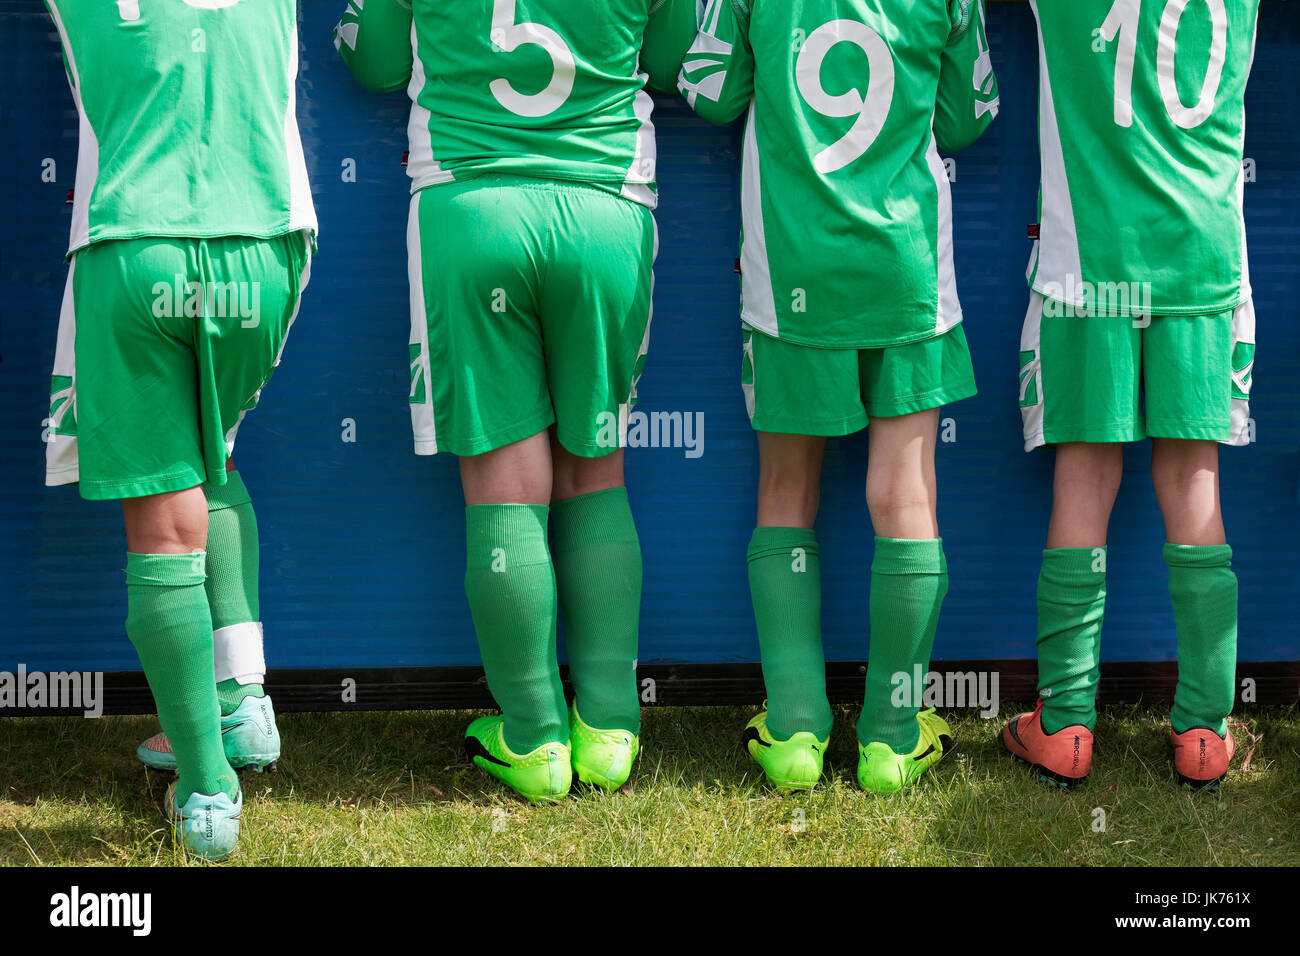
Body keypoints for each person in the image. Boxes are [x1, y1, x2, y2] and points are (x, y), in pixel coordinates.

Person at [336, 0, 698, 802]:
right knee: (596, 474)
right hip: (604, 208)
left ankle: (534, 737)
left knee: (504, 485)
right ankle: (607, 729)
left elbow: (376, 62)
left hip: (473, 207)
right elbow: (679, 62)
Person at [679, 0, 998, 792]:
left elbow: (710, 88)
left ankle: (793, 730)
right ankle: (892, 737)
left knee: (787, 491)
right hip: (906, 271)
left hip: (792, 272)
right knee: (906, 496)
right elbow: (968, 117)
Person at [42, 0, 317, 858]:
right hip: (268, 244)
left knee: (163, 516)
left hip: (138, 239)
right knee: (211, 459)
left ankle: (206, 791)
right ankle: (241, 700)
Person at [1005, 0, 1259, 790]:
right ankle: (1205, 731)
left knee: (1085, 475)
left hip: (1092, 267)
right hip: (1202, 261)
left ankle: (1066, 723)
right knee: (1193, 480)